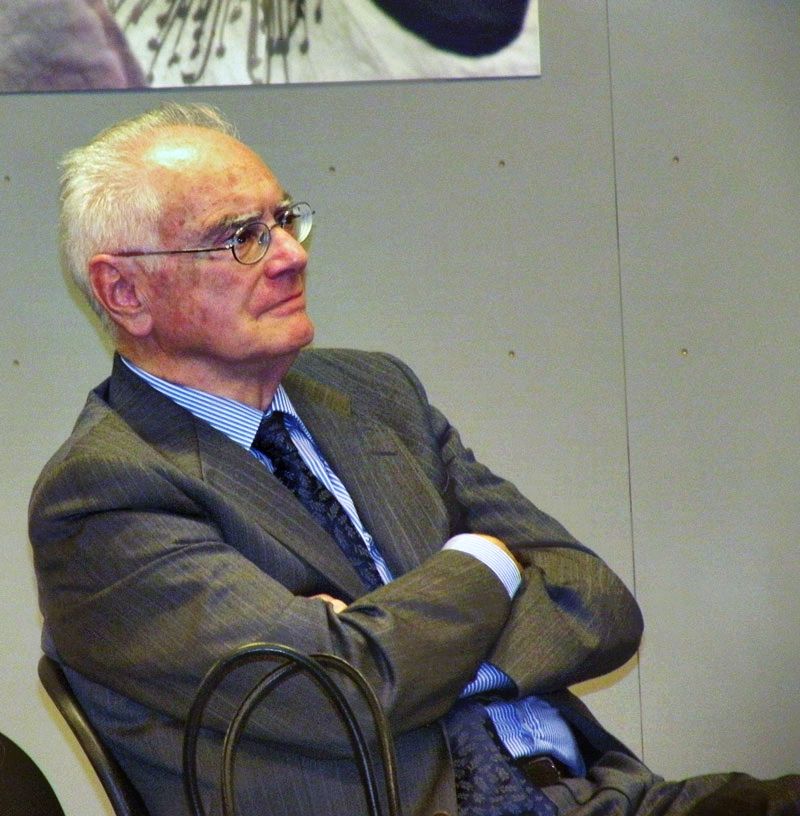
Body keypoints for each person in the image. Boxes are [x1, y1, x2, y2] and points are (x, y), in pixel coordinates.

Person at [29, 103, 799, 816]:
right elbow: (340, 692)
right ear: (125, 291)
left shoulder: (373, 394)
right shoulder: (103, 494)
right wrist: (486, 563)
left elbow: (595, 601)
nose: (291, 256)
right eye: (241, 237)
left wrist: (409, 654)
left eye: (285, 219)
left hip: (600, 794)